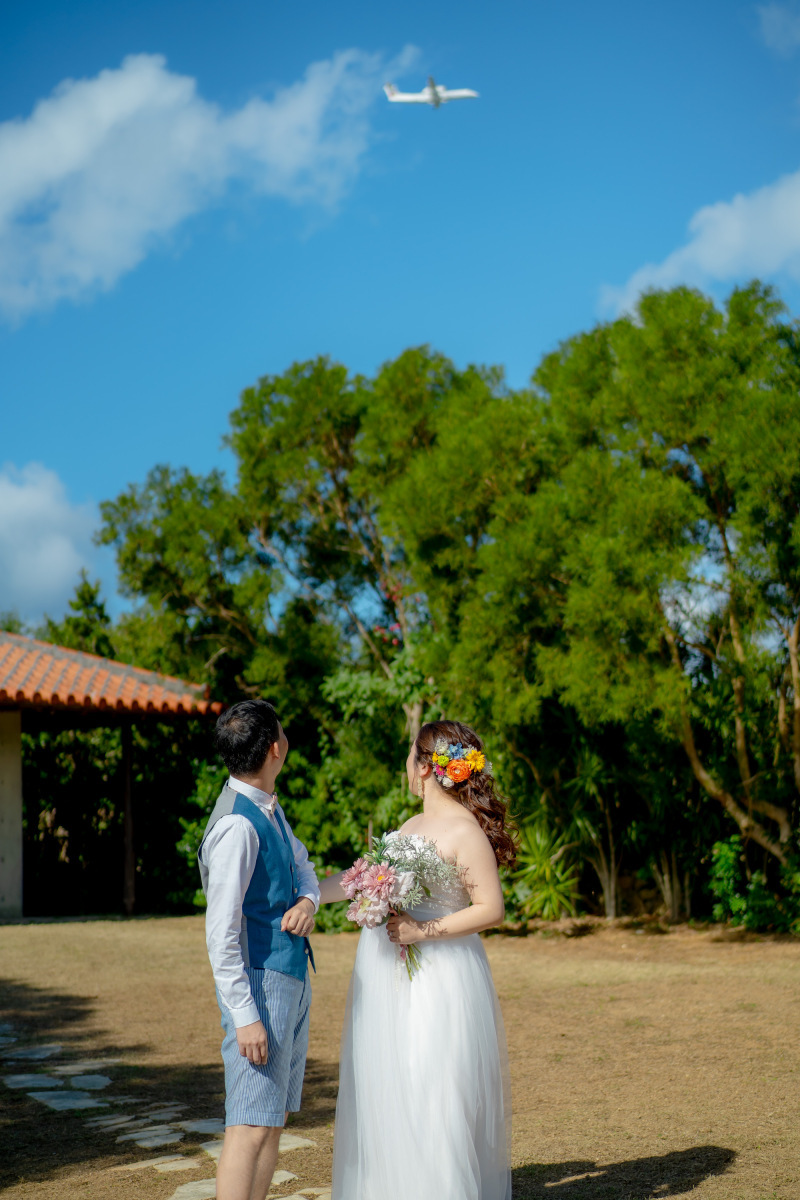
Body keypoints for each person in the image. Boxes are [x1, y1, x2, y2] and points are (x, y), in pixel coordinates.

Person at [319, 719, 516, 1200]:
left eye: (411, 755)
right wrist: (305, 893)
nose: (406, 764)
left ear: (426, 767)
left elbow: (491, 908)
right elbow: (363, 878)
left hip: (440, 978)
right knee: (394, 1083)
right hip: (389, 979)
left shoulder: (463, 830)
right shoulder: (409, 826)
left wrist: (420, 931)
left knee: (433, 1086)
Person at [198, 699, 319, 1200]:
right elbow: (220, 934)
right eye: (283, 731)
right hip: (258, 986)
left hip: (289, 979)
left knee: (271, 1121)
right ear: (275, 748)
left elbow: (303, 866)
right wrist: (245, 1017)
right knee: (248, 1125)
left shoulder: (268, 806)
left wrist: (308, 900)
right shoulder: (237, 826)